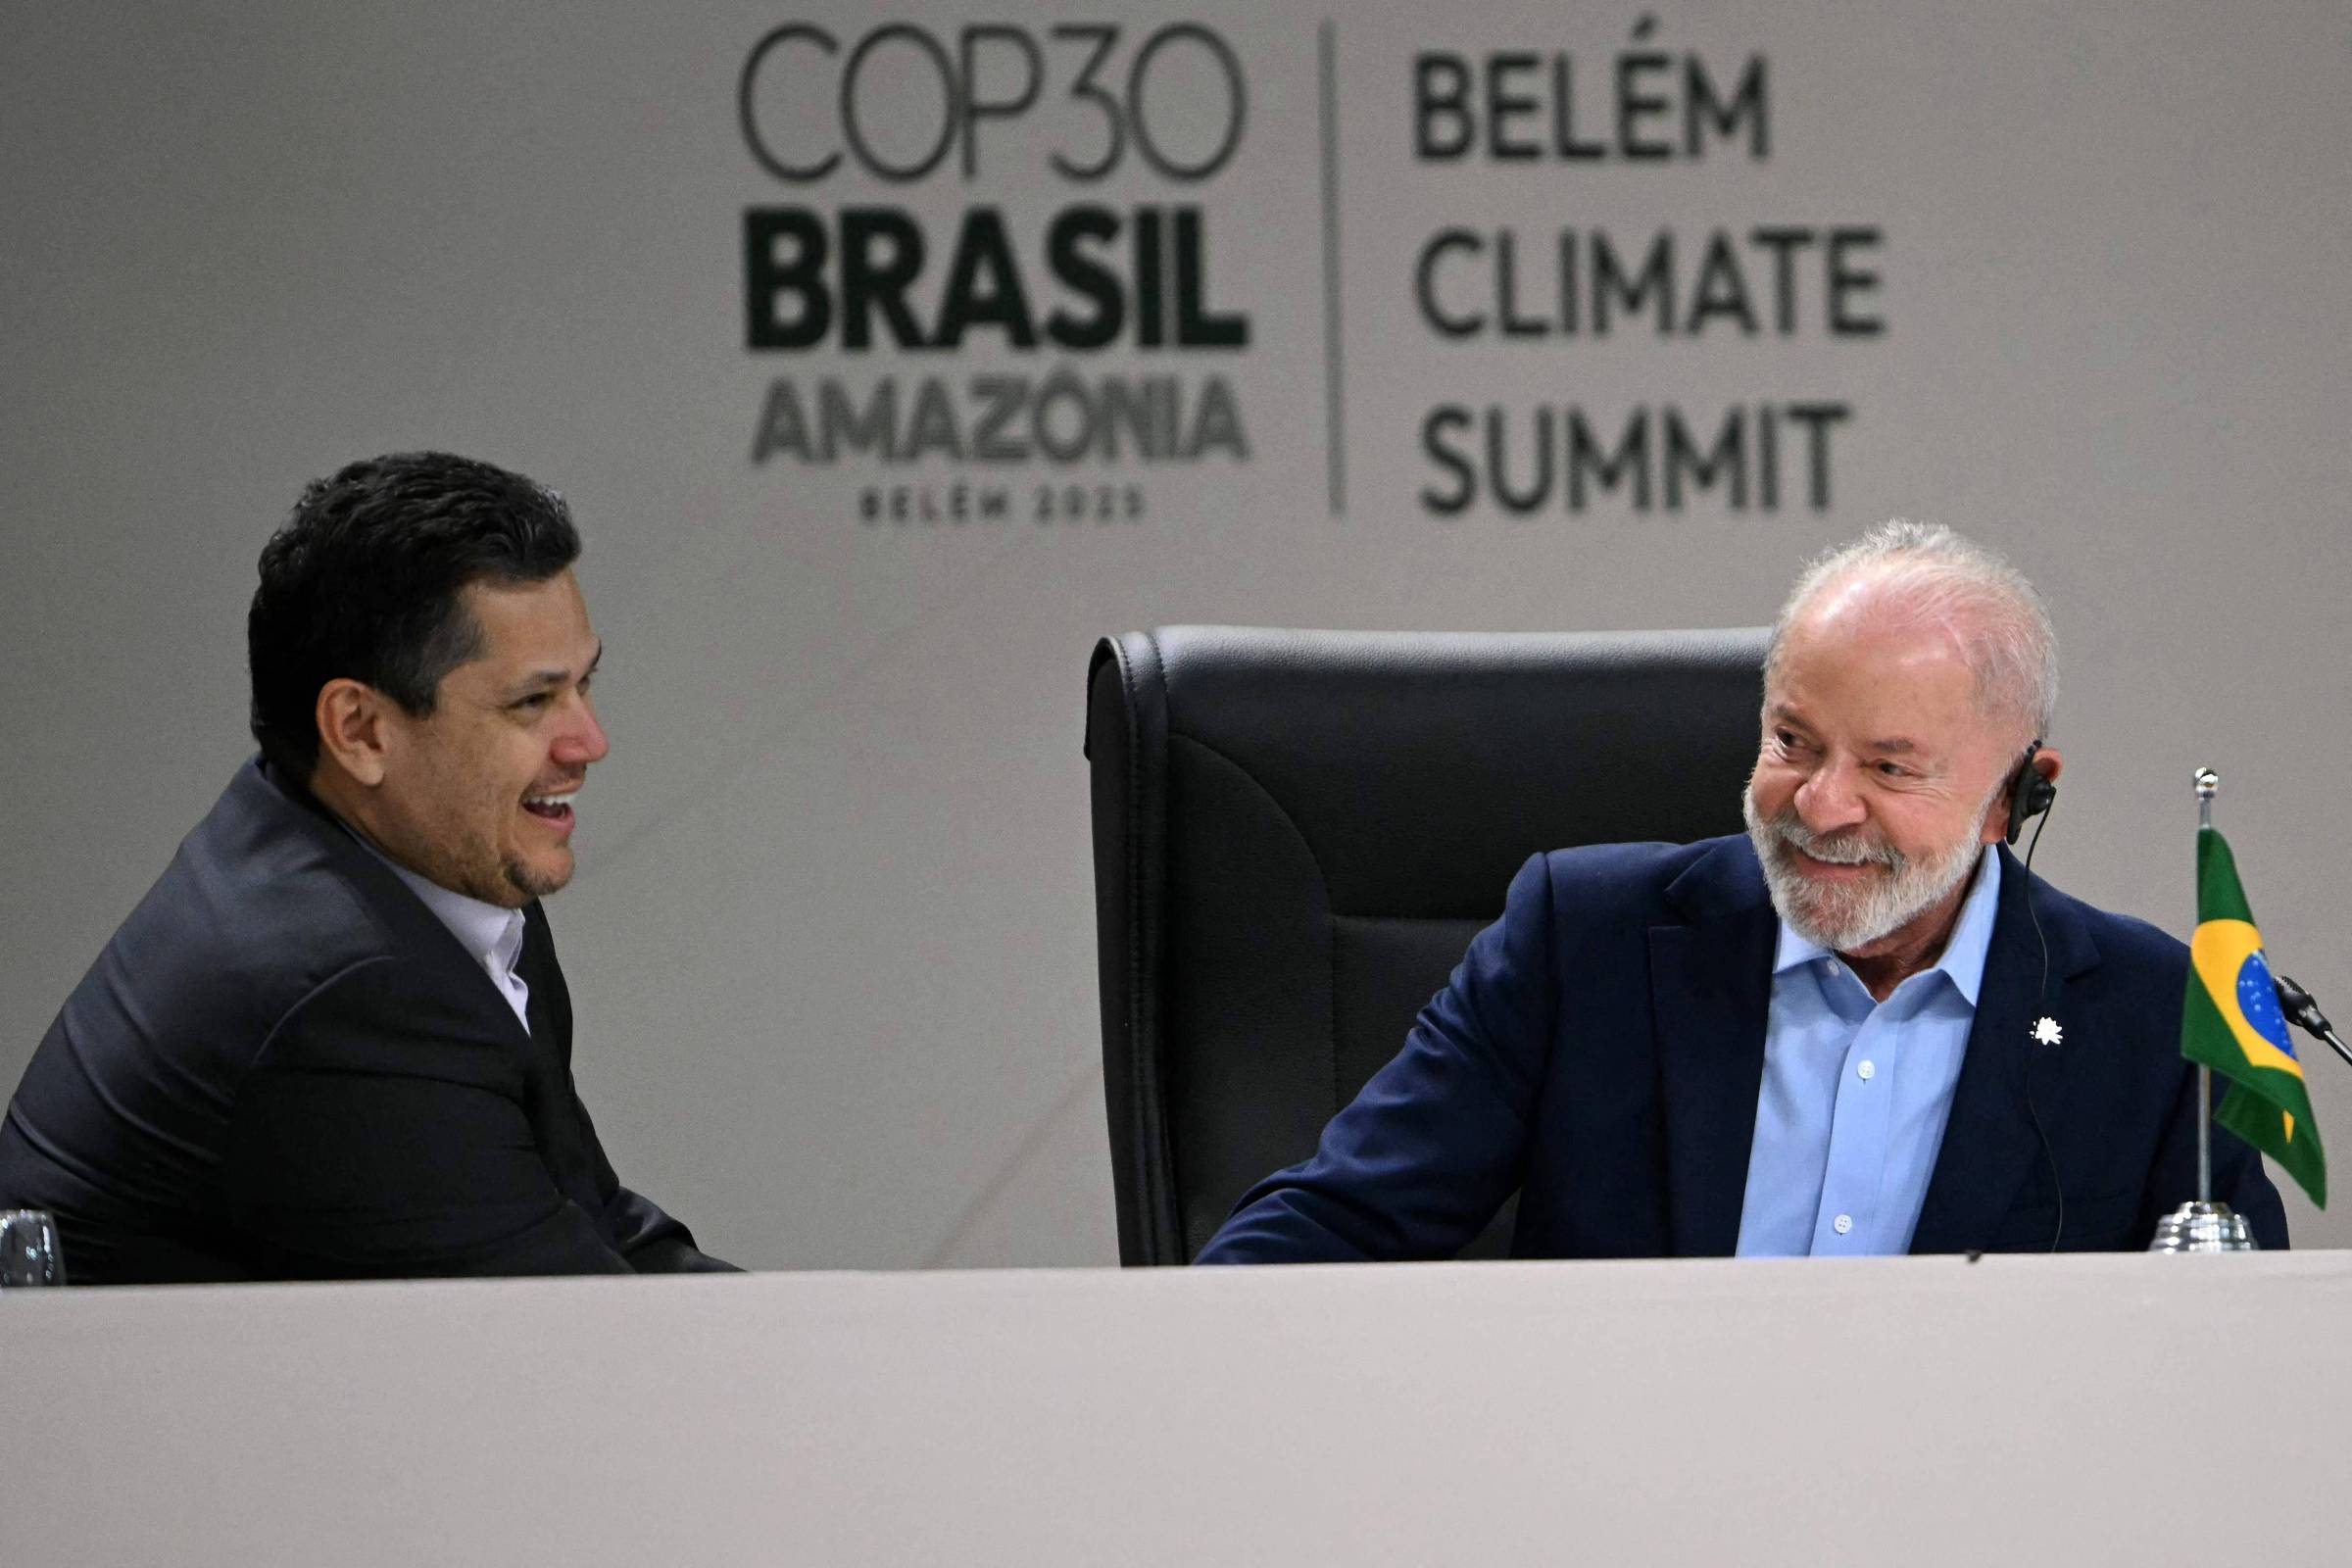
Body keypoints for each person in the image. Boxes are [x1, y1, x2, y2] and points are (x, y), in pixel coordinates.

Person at [1199, 521, 2286, 1261]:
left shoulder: (2154, 1019)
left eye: (1889, 767)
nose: (1820, 804)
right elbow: (1330, 1229)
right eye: (1791, 742)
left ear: (2015, 795)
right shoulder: (1584, 943)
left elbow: (2236, 1357)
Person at [0, 453, 736, 1282]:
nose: (588, 742)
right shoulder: (342, 989)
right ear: (359, 730)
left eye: (583, 685)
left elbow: (592, 1215)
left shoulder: (424, 868)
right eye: (532, 701)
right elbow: (567, 1325)